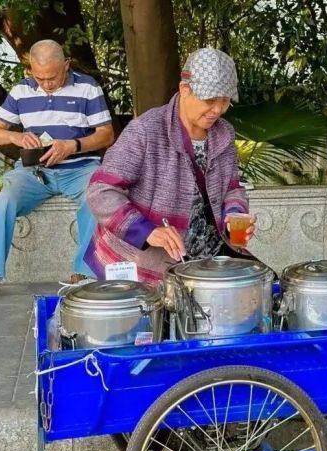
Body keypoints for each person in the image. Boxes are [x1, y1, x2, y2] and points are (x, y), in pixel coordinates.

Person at [85, 48, 253, 285]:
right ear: (184, 89)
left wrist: (234, 215)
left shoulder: (224, 134)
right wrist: (147, 231)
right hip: (139, 263)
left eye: (225, 101)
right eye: (209, 100)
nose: (217, 110)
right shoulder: (145, 131)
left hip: (205, 261)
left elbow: (233, 188)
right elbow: (100, 191)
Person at [0, 39, 114, 297]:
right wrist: (16, 136)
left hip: (80, 167)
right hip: (34, 172)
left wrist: (73, 145)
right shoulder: (21, 91)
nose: (46, 84)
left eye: (52, 77)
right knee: (5, 198)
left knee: (97, 195)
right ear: (30, 70)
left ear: (66, 65)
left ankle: (84, 273)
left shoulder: (87, 87)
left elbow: (106, 135)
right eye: (40, 78)